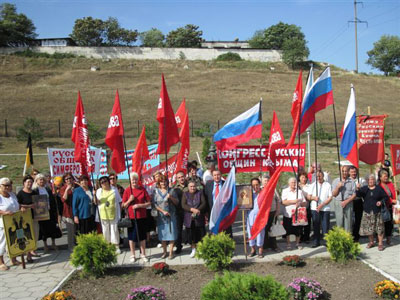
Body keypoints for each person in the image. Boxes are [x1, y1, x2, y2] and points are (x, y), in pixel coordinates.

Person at [122, 172, 151, 263]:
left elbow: (149, 203)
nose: (134, 181)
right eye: (132, 180)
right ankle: (133, 254)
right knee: (132, 237)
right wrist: (130, 200)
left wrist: (139, 205)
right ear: (130, 181)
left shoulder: (142, 189)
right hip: (131, 217)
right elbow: (123, 205)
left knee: (142, 236)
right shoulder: (127, 190)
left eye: (135, 179)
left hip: (141, 216)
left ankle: (143, 254)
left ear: (138, 180)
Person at [357, 174, 388, 251]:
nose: (371, 181)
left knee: (379, 228)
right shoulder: (364, 188)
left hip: (377, 211)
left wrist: (381, 202)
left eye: (372, 179)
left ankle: (380, 243)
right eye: (369, 180)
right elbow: (358, 194)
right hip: (367, 211)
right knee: (368, 229)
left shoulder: (379, 188)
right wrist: (358, 189)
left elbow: (386, 197)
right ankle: (371, 242)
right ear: (367, 181)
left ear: (375, 181)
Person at [32, 173, 61, 252]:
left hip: (50, 211)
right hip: (41, 212)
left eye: (43, 179)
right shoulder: (35, 191)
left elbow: (52, 200)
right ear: (36, 181)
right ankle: (45, 245)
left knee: (52, 227)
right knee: (43, 229)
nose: (42, 181)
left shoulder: (47, 189)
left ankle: (53, 243)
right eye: (40, 179)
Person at [153, 175, 179, 259]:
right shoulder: (156, 192)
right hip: (161, 217)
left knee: (172, 234)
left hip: (171, 215)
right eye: (161, 181)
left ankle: (171, 252)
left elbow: (177, 202)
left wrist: (170, 197)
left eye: (164, 181)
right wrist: (162, 211)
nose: (163, 183)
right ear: (159, 183)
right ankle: (164, 252)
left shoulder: (171, 191)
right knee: (163, 235)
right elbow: (154, 204)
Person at [17, 175, 40, 262]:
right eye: (28, 182)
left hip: (35, 217)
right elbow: (17, 205)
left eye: (31, 182)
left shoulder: (34, 192)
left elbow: (39, 203)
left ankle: (32, 250)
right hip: (24, 219)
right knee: (27, 236)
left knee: (35, 235)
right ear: (24, 183)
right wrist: (28, 206)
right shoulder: (20, 193)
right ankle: (28, 255)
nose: (29, 184)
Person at [96, 176, 122, 254]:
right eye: (102, 182)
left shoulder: (114, 190)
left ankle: (116, 246)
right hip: (103, 214)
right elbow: (96, 202)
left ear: (108, 181)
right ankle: (107, 246)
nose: (104, 183)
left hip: (113, 213)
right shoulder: (98, 191)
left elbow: (119, 201)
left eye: (105, 181)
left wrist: (120, 212)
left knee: (114, 230)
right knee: (105, 230)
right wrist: (94, 195)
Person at [307, 171, 333, 247]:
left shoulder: (327, 185)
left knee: (325, 226)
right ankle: (316, 241)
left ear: (323, 176)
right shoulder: (313, 185)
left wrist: (322, 204)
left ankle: (326, 241)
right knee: (316, 225)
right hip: (315, 208)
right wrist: (314, 198)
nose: (319, 178)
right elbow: (308, 196)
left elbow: (330, 197)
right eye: (317, 176)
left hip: (325, 208)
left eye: (320, 176)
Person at [0, 178, 22, 270]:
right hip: (3, 223)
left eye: (9, 185)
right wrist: (5, 213)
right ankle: (1, 262)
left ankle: (14, 259)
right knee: (2, 242)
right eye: (5, 185)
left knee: (16, 240)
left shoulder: (12, 195)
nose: (8, 187)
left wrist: (22, 208)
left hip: (16, 222)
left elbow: (17, 205)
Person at [182, 180, 206, 258]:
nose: (192, 188)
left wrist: (197, 210)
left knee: (200, 234)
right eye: (191, 186)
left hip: (199, 217)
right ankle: (193, 250)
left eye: (194, 186)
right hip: (189, 218)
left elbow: (203, 203)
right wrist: (191, 209)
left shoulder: (200, 193)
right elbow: (183, 205)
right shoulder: (185, 194)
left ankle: (201, 249)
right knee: (191, 235)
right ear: (188, 187)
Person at [281, 177, 306, 250]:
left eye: (295, 182)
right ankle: (288, 243)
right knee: (288, 230)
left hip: (298, 214)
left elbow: (305, 202)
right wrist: (294, 201)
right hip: (288, 214)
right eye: (292, 182)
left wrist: (300, 203)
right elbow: (283, 202)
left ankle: (297, 243)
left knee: (298, 230)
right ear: (289, 183)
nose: (293, 184)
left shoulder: (300, 191)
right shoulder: (285, 191)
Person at [332, 165, 356, 232]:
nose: (344, 172)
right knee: (339, 222)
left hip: (348, 203)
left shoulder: (352, 181)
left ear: (348, 172)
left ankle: (347, 240)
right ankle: (340, 239)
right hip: (339, 203)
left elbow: (354, 194)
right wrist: (338, 187)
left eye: (346, 171)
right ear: (340, 172)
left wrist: (346, 201)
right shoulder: (336, 181)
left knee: (348, 223)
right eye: (343, 171)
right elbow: (334, 194)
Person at [261, 174, 281, 252]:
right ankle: (265, 246)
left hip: (273, 212)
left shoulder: (273, 189)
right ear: (262, 181)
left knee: (272, 230)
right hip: (263, 214)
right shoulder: (260, 189)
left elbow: (278, 200)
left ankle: (274, 246)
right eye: (265, 180)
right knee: (264, 230)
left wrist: (278, 210)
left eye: (267, 180)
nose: (266, 182)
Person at [59, 172, 78, 251]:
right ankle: (70, 246)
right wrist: (67, 189)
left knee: (76, 230)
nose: (68, 180)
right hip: (68, 213)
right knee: (71, 231)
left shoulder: (77, 187)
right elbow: (63, 199)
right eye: (66, 179)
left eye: (70, 178)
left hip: (77, 212)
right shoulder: (63, 188)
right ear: (64, 181)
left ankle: (76, 244)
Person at [378, 169, 397, 246]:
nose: (386, 178)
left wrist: (397, 191)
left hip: (391, 207)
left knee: (390, 224)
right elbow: (383, 196)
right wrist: (391, 201)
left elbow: (394, 193)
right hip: (383, 207)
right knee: (382, 224)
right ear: (380, 177)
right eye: (384, 176)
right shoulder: (378, 186)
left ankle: (388, 239)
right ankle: (380, 240)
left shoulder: (390, 184)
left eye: (387, 176)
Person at [247, 178, 264, 258]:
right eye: (253, 185)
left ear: (259, 184)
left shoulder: (263, 193)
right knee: (251, 233)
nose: (255, 186)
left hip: (260, 217)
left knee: (260, 233)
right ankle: (253, 250)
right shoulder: (249, 194)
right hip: (250, 217)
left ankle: (260, 250)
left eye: (257, 184)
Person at [171, 170, 187, 254]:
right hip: (178, 211)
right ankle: (178, 246)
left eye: (182, 177)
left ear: (185, 177)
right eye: (179, 177)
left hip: (188, 210)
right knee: (178, 230)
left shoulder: (190, 185)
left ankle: (193, 244)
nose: (181, 178)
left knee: (190, 228)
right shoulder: (174, 188)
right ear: (177, 179)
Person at [349, 166, 366, 242]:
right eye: (352, 172)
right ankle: (349, 235)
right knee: (349, 219)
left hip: (358, 201)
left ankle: (356, 236)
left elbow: (365, 191)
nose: (353, 173)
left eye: (355, 172)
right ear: (349, 172)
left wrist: (360, 188)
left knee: (358, 219)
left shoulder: (361, 180)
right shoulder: (347, 180)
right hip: (350, 201)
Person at [298, 171, 311, 244]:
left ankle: (306, 237)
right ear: (299, 178)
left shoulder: (309, 186)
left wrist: (304, 194)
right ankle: (299, 237)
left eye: (305, 177)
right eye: (302, 177)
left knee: (307, 223)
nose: (304, 179)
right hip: (299, 207)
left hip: (306, 206)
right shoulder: (297, 185)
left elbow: (309, 196)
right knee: (299, 223)